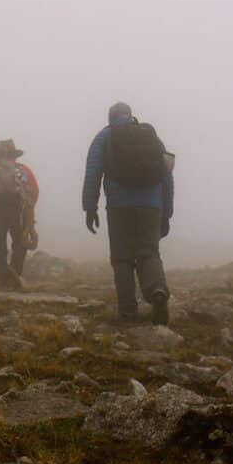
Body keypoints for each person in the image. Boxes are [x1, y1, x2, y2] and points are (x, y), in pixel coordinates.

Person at [82, 103, 175, 325]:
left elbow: (93, 173)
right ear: (131, 115)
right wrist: (166, 212)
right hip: (152, 206)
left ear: (110, 118)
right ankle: (157, 290)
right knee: (149, 253)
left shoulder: (104, 137)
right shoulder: (151, 136)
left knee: (121, 258)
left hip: (119, 207)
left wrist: (90, 207)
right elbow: (167, 176)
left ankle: (127, 312)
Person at [0, 139, 40, 289]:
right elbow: (35, 191)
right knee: (20, 244)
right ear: (15, 155)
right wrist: (28, 211)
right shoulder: (24, 171)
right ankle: (14, 276)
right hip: (18, 212)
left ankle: (3, 279)